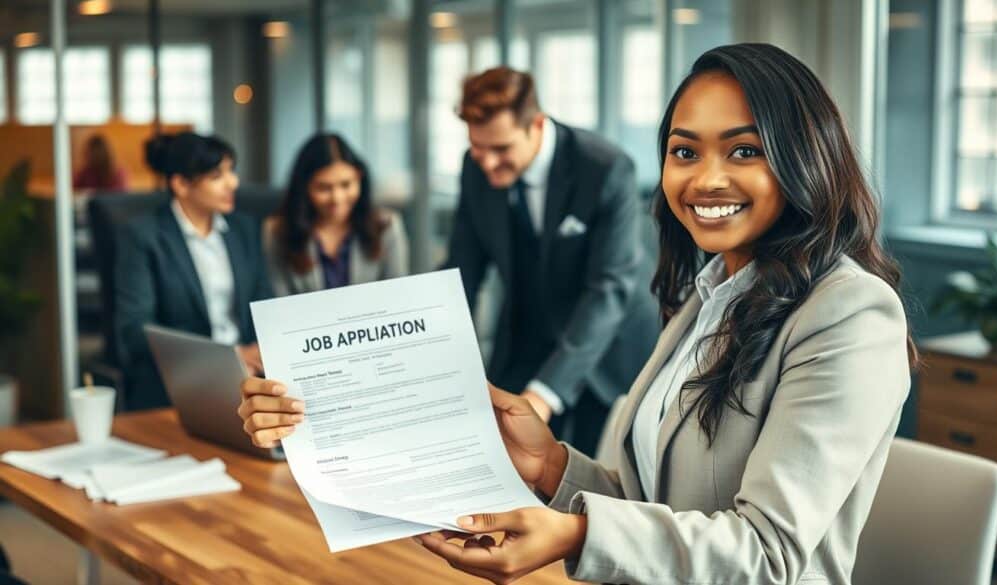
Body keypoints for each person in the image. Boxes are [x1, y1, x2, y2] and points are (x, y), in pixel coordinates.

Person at [238, 43, 918, 585]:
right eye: (685, 151)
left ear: (803, 157)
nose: (706, 178)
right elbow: (658, 500)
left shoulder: (851, 314)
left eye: (743, 150)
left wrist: (579, 531)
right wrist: (552, 465)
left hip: (583, 362)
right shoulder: (708, 296)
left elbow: (767, 553)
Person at [443, 66, 660, 456]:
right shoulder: (474, 169)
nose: (488, 162)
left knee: (592, 480)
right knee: (503, 459)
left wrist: (545, 394)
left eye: (501, 149)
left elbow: (608, 289)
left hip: (605, 347)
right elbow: (462, 271)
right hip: (526, 337)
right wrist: (435, 357)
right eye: (478, 147)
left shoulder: (605, 168)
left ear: (536, 125)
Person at [115, 132, 273, 410]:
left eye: (231, 172)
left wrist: (258, 352)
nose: (233, 183)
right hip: (177, 383)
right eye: (216, 176)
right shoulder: (144, 236)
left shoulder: (244, 230)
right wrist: (228, 357)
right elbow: (136, 331)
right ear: (180, 184)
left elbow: (267, 305)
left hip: (249, 378)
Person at [263, 133, 408, 296]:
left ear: (360, 177)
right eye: (324, 188)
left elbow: (397, 296)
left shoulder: (387, 225)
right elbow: (278, 302)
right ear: (304, 187)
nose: (337, 198)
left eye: (346, 185)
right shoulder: (276, 230)